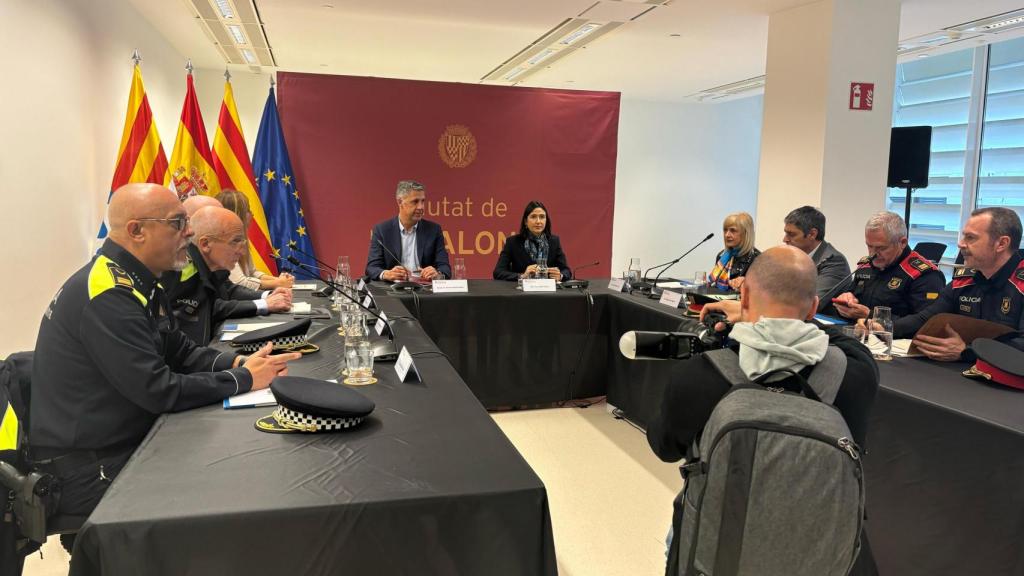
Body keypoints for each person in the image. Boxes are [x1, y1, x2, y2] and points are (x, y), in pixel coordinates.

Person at [29, 184, 300, 546]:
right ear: (137, 231)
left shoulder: (140, 280)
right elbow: (158, 390)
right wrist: (242, 380)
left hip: (117, 439)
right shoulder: (108, 294)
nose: (189, 232)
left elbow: (179, 349)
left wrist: (237, 361)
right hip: (90, 466)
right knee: (233, 488)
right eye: (178, 223)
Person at [647, 245, 880, 576]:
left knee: (677, 531)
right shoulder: (855, 377)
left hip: (717, 553)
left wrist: (740, 323)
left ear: (743, 298)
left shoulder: (702, 374)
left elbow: (663, 447)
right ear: (814, 307)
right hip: (816, 553)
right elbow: (854, 348)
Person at [901, 207, 1024, 361]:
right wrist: (881, 327)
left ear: (1002, 244)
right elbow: (925, 318)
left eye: (970, 238)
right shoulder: (963, 281)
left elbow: (1021, 345)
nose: (961, 244)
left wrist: (968, 351)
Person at [162, 206, 293, 345]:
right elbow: (212, 308)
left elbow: (228, 290)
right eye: (235, 241)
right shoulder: (181, 269)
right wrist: (264, 304)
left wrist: (267, 296)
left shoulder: (210, 264)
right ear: (205, 244)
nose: (241, 252)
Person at [828, 212, 945, 337]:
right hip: (858, 336)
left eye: (881, 248)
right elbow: (852, 296)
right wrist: (846, 299)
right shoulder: (866, 265)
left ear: (902, 242)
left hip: (895, 345)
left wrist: (870, 316)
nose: (873, 254)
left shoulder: (924, 275)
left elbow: (925, 323)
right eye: (869, 246)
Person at [365, 180, 451, 281]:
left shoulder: (434, 230)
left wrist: (437, 273)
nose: (421, 207)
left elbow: (445, 268)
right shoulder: (382, 230)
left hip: (425, 291)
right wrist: (387, 274)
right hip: (393, 292)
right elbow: (371, 268)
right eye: (415, 201)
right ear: (400, 202)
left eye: (423, 201)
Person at [216, 189, 295, 291]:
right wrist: (277, 283)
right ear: (237, 214)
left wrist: (279, 280)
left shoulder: (240, 240)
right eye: (248, 210)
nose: (252, 214)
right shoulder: (222, 245)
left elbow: (252, 272)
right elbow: (240, 283)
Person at [783, 206, 850, 305]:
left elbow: (810, 303)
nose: (785, 239)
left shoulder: (834, 261)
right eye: (786, 233)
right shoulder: (794, 256)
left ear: (812, 234)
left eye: (791, 234)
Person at [492, 201, 570, 281]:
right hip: (521, 292)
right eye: (533, 217)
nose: (538, 221)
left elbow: (566, 271)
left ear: (546, 220)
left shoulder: (554, 241)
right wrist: (522, 276)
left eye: (542, 217)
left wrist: (560, 276)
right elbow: (498, 272)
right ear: (526, 221)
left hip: (549, 291)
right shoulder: (512, 242)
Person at [708, 212, 759, 290]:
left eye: (733, 230)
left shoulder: (757, 259)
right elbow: (713, 286)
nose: (727, 235)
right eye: (725, 230)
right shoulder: (721, 256)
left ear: (746, 233)